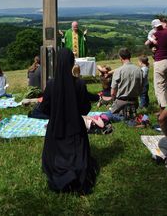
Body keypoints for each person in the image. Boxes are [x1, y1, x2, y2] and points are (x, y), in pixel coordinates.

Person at [39, 48, 99, 194]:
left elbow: (44, 109)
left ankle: (62, 173)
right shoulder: (79, 84)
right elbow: (85, 109)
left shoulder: (51, 85)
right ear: (72, 62)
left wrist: (56, 114)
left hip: (56, 129)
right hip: (75, 129)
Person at [106, 48, 143, 121]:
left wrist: (114, 101)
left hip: (121, 102)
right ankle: (129, 115)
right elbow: (141, 88)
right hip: (135, 102)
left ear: (120, 58)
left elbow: (113, 92)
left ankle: (124, 117)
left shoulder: (118, 71)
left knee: (105, 115)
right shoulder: (139, 70)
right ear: (130, 56)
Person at [151, 18, 167, 113]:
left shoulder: (159, 33)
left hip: (160, 62)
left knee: (160, 87)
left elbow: (147, 42)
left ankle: (163, 110)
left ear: (164, 23)